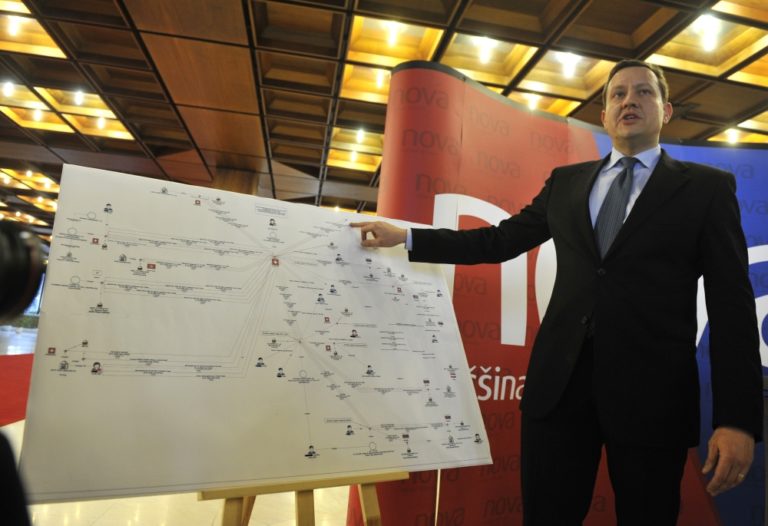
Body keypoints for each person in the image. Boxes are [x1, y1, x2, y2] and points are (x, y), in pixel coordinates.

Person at [351, 60, 762, 526]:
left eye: (644, 92)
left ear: (665, 111)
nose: (629, 101)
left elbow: (732, 307)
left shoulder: (706, 189)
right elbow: (498, 241)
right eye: (618, 94)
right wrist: (408, 237)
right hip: (558, 391)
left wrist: (737, 420)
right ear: (604, 115)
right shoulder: (567, 182)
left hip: (653, 399)